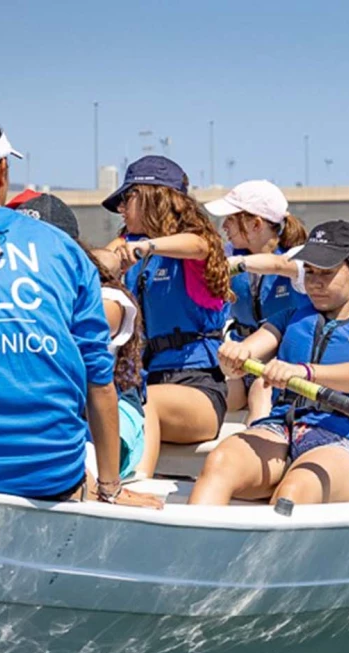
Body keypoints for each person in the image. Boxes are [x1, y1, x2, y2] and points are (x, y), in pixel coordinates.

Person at [0, 113, 158, 508]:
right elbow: (99, 380)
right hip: (48, 472)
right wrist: (109, 488)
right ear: (2, 172)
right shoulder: (62, 249)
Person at [189, 220, 349, 506]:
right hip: (283, 428)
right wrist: (234, 359)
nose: (314, 283)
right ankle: (195, 545)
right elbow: (252, 348)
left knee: (296, 488)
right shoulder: (291, 317)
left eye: (326, 273)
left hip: (346, 438)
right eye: (310, 272)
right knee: (220, 461)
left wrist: (304, 371)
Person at [102, 156, 235, 476]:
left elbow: (200, 245)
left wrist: (145, 247)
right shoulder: (126, 244)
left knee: (148, 402)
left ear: (153, 197)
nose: (121, 209)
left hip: (199, 388)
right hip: (145, 381)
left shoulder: (192, 248)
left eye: (127, 199)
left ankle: (135, 489)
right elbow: (102, 259)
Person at [15, 192, 146, 479]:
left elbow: (66, 330)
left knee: (63, 472)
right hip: (55, 417)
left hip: (113, 420)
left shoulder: (109, 298)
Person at [205, 180, 308, 423]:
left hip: (282, 365)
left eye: (230, 219)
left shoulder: (299, 257)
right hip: (242, 360)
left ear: (255, 224)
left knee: (260, 391)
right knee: (212, 396)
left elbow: (280, 265)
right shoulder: (230, 252)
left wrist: (238, 265)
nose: (224, 227)